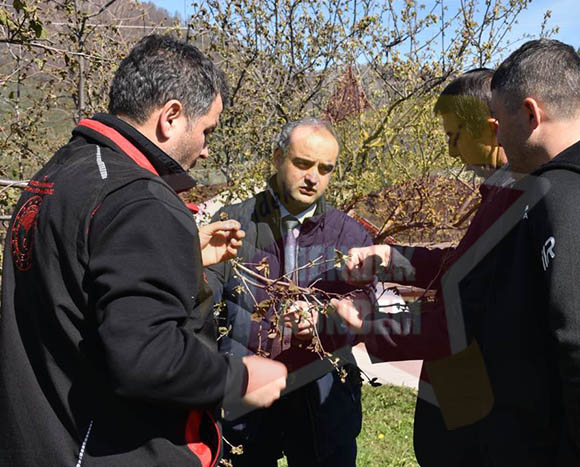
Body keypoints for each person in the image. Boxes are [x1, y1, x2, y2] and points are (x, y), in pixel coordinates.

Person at [337, 39, 580, 466]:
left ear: (531, 115)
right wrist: (396, 261)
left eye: (499, 121)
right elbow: (485, 278)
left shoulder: (571, 195)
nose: (497, 134)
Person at [0, 34, 287, 467]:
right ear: (171, 116)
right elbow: (147, 356)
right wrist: (240, 376)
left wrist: (183, 255)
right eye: (206, 130)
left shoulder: (58, 175)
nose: (206, 149)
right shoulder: (141, 200)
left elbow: (76, 291)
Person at [334, 68, 515, 465]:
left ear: (490, 129)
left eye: (454, 137)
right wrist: (389, 258)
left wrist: (366, 324)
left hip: (479, 425)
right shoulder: (499, 194)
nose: (451, 153)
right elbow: (462, 265)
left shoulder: (514, 202)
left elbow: (454, 323)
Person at [205, 118, 372, 466]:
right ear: (278, 157)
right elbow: (202, 299)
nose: (313, 177)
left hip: (322, 404)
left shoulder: (350, 236)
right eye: (303, 163)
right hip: (245, 403)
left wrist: (326, 321)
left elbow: (366, 308)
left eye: (325, 169)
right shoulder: (235, 223)